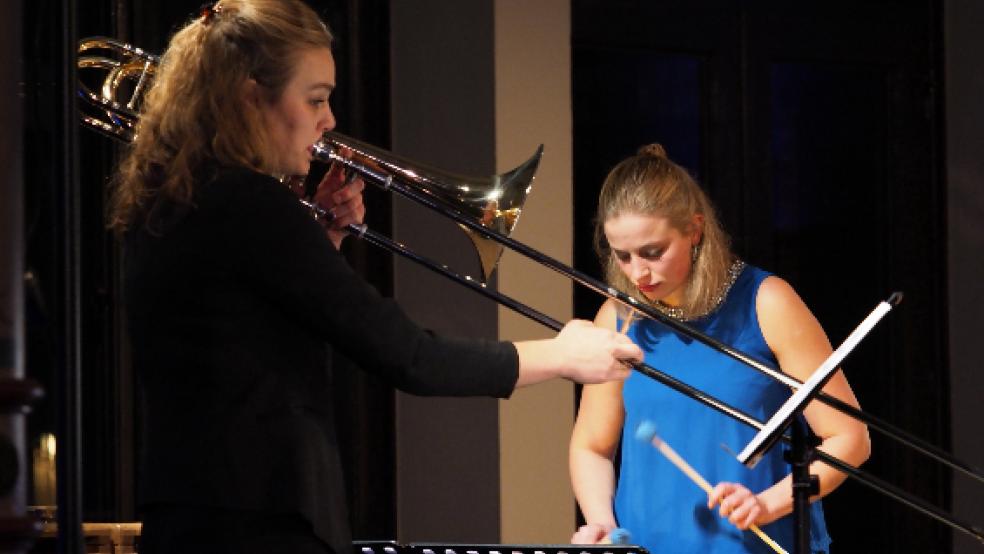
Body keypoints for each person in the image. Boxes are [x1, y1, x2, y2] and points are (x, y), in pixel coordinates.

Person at [111, 2, 643, 553]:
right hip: (262, 523)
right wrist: (562, 355)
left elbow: (245, 341)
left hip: (192, 517)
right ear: (249, 98)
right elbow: (410, 356)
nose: (330, 120)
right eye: (315, 98)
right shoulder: (252, 203)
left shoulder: (171, 200)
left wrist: (319, 243)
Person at [568, 144, 871, 553]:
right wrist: (602, 524)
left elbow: (849, 438)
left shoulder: (767, 303)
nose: (638, 272)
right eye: (622, 256)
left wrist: (767, 504)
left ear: (694, 229)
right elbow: (592, 446)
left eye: (653, 252)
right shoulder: (619, 318)